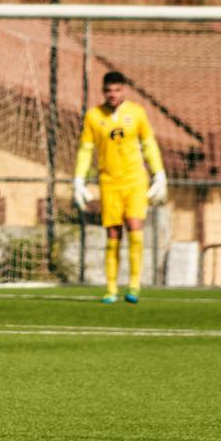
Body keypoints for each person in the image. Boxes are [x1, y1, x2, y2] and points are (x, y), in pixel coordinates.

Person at [72, 71, 167, 304]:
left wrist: (160, 174)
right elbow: (86, 150)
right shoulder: (94, 116)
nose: (112, 94)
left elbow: (149, 144)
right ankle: (111, 288)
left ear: (123, 90)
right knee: (113, 233)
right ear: (103, 91)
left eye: (116, 90)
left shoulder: (137, 114)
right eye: (108, 90)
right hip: (109, 181)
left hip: (135, 179)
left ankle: (134, 285)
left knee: (135, 228)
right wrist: (78, 180)